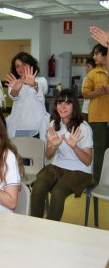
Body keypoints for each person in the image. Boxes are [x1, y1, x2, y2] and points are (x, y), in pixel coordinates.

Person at [31, 89, 93, 221]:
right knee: (38, 185)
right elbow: (48, 155)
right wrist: (53, 145)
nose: (63, 106)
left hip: (80, 170)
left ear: (74, 106)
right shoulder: (53, 125)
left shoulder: (84, 128)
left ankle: (51, 230)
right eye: (60, 102)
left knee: (58, 192)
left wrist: (75, 147)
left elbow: (88, 161)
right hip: (58, 166)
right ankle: (34, 225)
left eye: (67, 103)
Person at [5, 52, 49, 142]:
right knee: (19, 153)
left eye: (24, 64)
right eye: (17, 66)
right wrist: (16, 89)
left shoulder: (41, 81)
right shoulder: (14, 83)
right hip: (19, 125)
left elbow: (43, 90)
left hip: (37, 125)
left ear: (31, 65)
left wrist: (34, 84)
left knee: (37, 153)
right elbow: (13, 95)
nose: (20, 68)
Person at [82, 43, 109, 185]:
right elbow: (85, 94)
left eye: (97, 53)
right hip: (98, 117)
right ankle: (98, 181)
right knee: (99, 150)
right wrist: (100, 91)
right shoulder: (93, 74)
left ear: (106, 54)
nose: (94, 57)